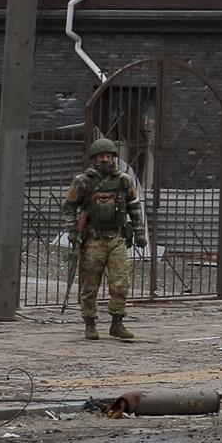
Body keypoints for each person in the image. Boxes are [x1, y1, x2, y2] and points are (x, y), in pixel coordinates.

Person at [63, 136, 147, 341]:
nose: (105, 159)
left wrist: (140, 232)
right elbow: (69, 207)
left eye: (108, 155)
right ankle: (90, 323)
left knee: (120, 283)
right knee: (90, 284)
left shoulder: (124, 181)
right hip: (93, 239)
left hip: (117, 238)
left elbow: (135, 207)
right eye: (101, 156)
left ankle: (117, 322)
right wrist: (73, 230)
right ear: (94, 158)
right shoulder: (82, 181)